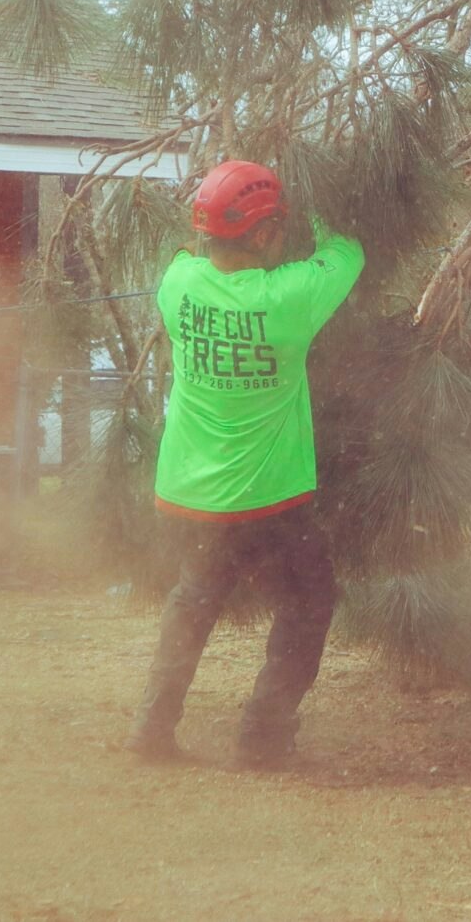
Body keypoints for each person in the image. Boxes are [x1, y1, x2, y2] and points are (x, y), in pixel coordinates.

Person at [125, 160, 364, 769]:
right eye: (277, 228)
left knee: (194, 600)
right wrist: (314, 195)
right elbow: (347, 249)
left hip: (191, 494)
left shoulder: (178, 285)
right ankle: (263, 739)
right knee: (309, 604)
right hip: (270, 497)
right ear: (260, 237)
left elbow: (187, 249)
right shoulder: (289, 297)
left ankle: (152, 728)